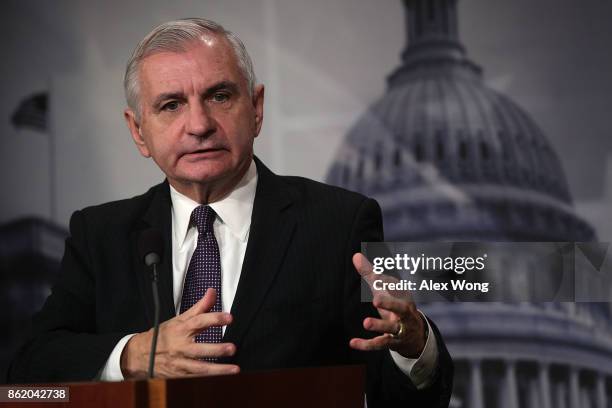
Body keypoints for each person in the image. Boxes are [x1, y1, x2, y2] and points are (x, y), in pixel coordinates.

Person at [9, 18, 453, 406]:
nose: (199, 124)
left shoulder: (338, 223)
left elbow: (397, 396)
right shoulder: (100, 234)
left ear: (256, 109)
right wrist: (132, 355)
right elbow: (27, 376)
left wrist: (413, 345)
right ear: (138, 131)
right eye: (171, 105)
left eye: (219, 96)